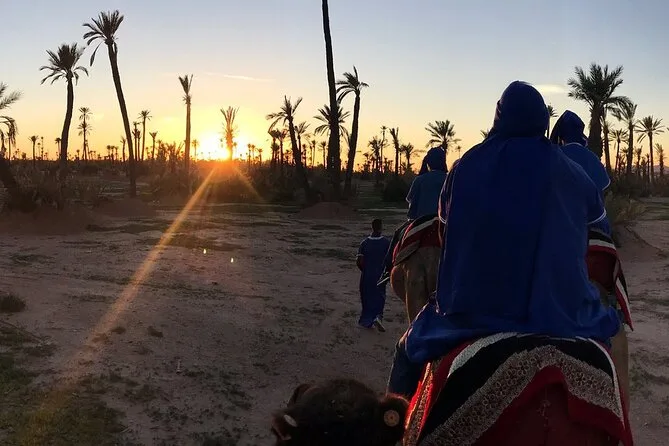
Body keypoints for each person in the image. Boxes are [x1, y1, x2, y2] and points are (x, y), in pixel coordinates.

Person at [387, 81, 621, 399]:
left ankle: (394, 418)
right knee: (612, 338)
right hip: (564, 312)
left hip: (472, 313)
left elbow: (444, 234)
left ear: (499, 117)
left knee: (406, 353)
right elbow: (599, 231)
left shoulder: (464, 167)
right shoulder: (573, 171)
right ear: (543, 120)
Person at [377, 147, 447, 285]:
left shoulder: (420, 180)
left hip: (419, 221)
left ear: (428, 162)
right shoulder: (448, 179)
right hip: (443, 223)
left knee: (398, 234)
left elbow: (410, 199)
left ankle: (387, 269)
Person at [550, 109, 612, 235]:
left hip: (559, 228)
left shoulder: (555, 156)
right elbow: (603, 186)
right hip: (592, 228)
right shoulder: (592, 158)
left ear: (561, 136)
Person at [357, 219, 391, 332]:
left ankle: (366, 319)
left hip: (367, 275)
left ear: (372, 227)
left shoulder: (364, 243)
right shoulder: (386, 243)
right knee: (380, 296)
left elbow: (359, 261)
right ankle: (378, 317)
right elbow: (389, 261)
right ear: (381, 227)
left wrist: (365, 270)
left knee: (366, 297)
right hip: (380, 275)